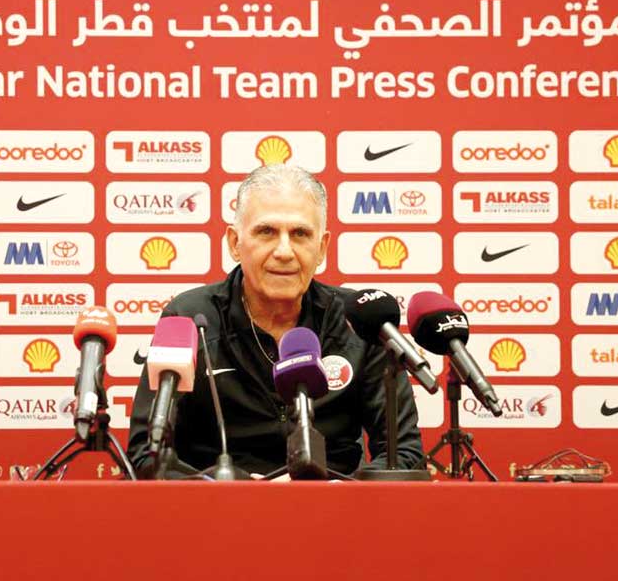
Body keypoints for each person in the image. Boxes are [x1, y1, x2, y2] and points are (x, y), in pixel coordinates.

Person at [126, 164, 424, 477]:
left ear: (321, 248)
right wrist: (229, 489)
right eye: (266, 231)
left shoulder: (359, 322)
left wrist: (344, 492)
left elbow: (403, 453)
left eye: (300, 234)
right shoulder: (188, 318)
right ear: (234, 243)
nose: (284, 251)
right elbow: (147, 454)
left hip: (335, 513)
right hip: (217, 512)